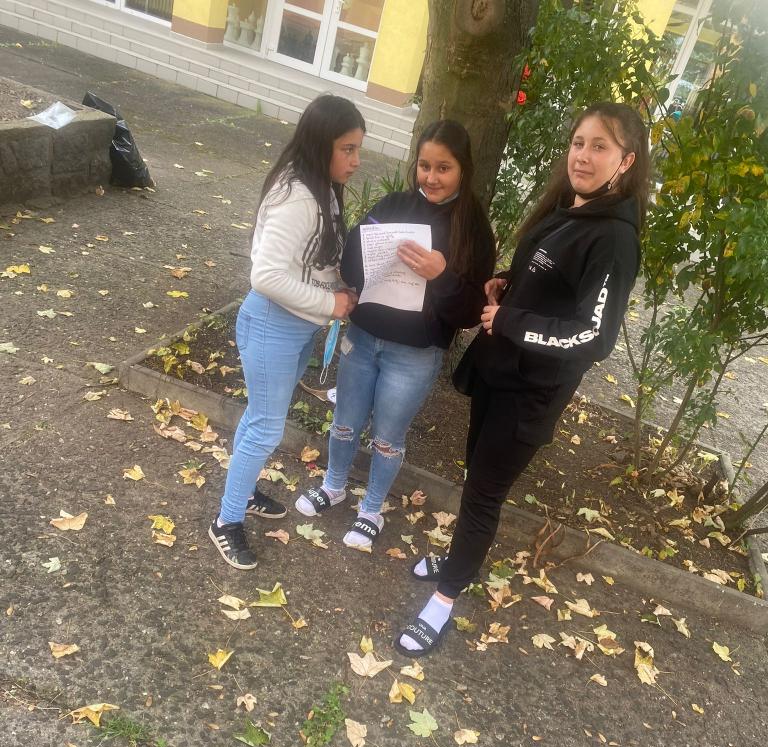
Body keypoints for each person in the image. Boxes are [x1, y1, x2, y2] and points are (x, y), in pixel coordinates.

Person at [396, 102, 650, 655]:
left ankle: (443, 599)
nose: (583, 156)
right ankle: (460, 560)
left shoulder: (614, 239)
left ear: (626, 160)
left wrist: (510, 320)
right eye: (579, 142)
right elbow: (549, 282)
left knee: (485, 494)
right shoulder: (570, 209)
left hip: (530, 395)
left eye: (600, 147)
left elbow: (593, 337)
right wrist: (506, 283)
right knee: (475, 478)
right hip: (497, 371)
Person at [294, 120, 496, 551]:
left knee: (387, 436)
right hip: (364, 337)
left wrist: (441, 275)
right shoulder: (394, 204)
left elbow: (470, 313)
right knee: (345, 421)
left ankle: (371, 509)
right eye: (424, 166)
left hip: (415, 354)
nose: (431, 177)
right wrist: (362, 243)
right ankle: (333, 486)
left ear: (463, 169)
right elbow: (352, 269)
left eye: (444, 168)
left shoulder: (474, 228)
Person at [209, 95, 364, 569]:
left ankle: (243, 493)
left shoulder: (321, 188)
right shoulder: (298, 196)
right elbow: (266, 276)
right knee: (266, 428)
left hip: (295, 329)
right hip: (272, 324)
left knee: (260, 419)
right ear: (321, 145)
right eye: (348, 149)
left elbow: (312, 262)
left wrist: (341, 286)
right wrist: (331, 304)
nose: (356, 161)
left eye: (357, 149)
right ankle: (226, 521)